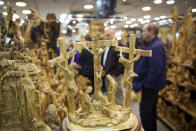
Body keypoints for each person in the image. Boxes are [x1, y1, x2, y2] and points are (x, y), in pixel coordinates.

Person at [133, 23, 166, 131]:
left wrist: (146, 84)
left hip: (150, 86)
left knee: (146, 113)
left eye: (144, 31)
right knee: (149, 112)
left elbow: (155, 69)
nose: (142, 33)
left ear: (151, 32)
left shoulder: (156, 46)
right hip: (148, 85)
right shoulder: (150, 44)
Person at [101, 28, 125, 106]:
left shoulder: (118, 45)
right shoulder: (107, 46)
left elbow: (121, 62)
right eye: (105, 36)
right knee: (110, 95)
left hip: (114, 76)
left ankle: (119, 113)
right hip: (107, 75)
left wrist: (114, 74)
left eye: (108, 35)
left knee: (117, 95)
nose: (106, 37)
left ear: (113, 35)